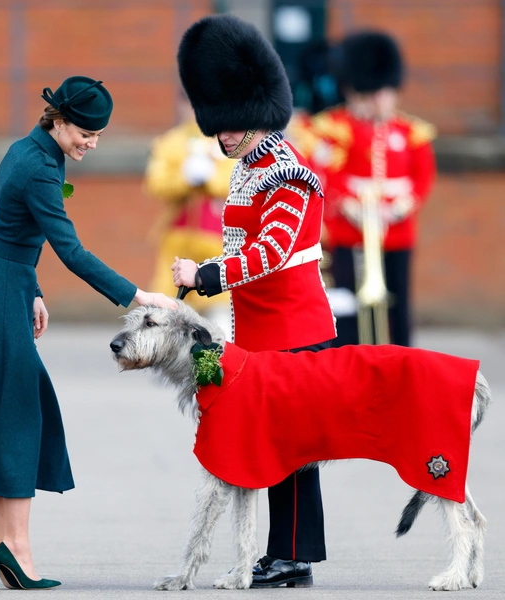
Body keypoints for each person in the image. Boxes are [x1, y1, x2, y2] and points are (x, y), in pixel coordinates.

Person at [0, 75, 177, 590]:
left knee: (7, 419)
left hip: (0, 288)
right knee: (17, 421)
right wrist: (138, 296)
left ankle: (3, 544)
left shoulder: (31, 151)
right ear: (58, 119)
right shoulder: (39, 165)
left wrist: (32, 288)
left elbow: (13, 231)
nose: (92, 143)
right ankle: (16, 550)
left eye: (99, 135)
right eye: (86, 132)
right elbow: (71, 250)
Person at [172, 14, 336, 588]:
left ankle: (292, 555)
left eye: (228, 124)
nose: (221, 136)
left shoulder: (287, 175)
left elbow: (269, 252)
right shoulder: (252, 167)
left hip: (293, 328)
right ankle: (284, 552)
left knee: (293, 447)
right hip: (262, 328)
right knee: (277, 443)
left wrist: (206, 274)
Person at [292, 31, 436, 346]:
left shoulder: (410, 132)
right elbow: (325, 172)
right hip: (350, 231)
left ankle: (400, 359)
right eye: (373, 92)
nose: (379, 99)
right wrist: (347, 205)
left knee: (397, 301)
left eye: (384, 91)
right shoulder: (336, 128)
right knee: (348, 304)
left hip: (395, 231)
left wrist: (402, 206)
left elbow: (422, 176)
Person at [145, 93, 235, 338]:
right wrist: (183, 178)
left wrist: (211, 178)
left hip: (217, 237)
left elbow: (236, 182)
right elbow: (156, 183)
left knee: (219, 308)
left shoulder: (226, 139)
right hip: (178, 235)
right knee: (170, 304)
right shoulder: (171, 142)